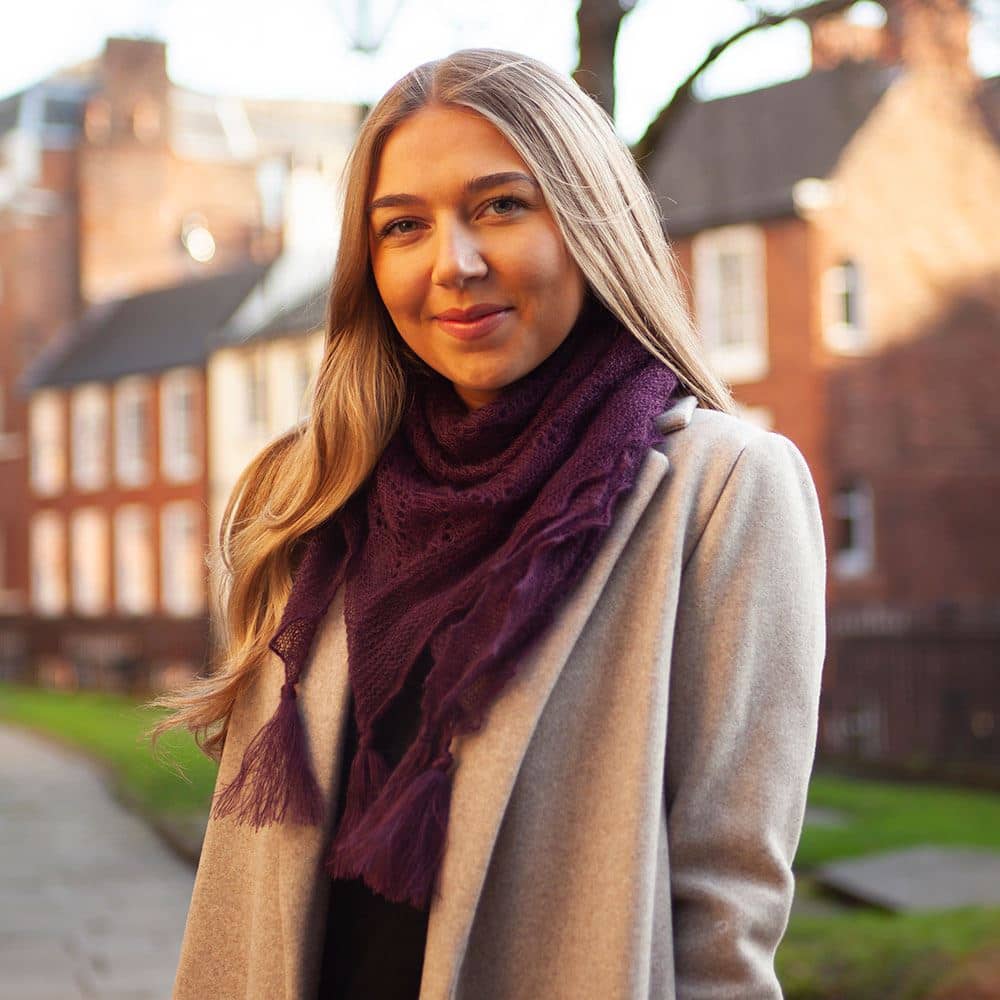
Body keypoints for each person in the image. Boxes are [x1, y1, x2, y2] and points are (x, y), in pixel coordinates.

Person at [158, 47, 826, 1000]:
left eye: (501, 206)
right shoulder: (317, 495)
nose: (454, 265)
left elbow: (725, 907)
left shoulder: (718, 491)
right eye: (403, 226)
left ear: (589, 222)